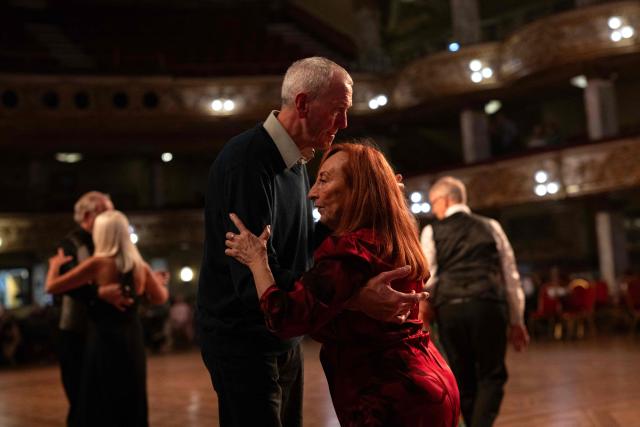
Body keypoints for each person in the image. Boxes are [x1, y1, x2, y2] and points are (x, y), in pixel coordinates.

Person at [197, 57, 425, 427]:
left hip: (285, 333)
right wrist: (353, 298)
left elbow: (305, 247)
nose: (345, 124)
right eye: (338, 110)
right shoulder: (247, 161)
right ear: (303, 104)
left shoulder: (299, 162)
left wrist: (373, 202)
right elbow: (248, 281)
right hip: (244, 339)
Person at [225, 141, 460, 427]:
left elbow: (285, 315)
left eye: (323, 180)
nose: (312, 193)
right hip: (430, 379)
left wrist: (257, 260)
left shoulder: (351, 249)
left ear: (359, 189)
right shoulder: (393, 236)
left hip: (388, 395)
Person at [420, 176, 529, 427]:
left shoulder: (431, 231)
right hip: (488, 305)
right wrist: (517, 320)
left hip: (450, 309)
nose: (434, 210)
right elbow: (510, 275)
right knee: (492, 375)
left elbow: (429, 277)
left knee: (461, 376)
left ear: (446, 200)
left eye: (433, 203)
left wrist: (425, 309)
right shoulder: (491, 226)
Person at [46, 210, 169, 427]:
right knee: (132, 394)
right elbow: (160, 298)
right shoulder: (140, 266)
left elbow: (52, 286)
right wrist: (157, 283)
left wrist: (54, 266)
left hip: (103, 340)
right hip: (132, 340)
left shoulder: (97, 264)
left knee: (102, 397)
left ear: (101, 234)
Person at [55, 191, 134, 427]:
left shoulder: (107, 239)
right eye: (106, 211)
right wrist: (97, 293)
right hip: (76, 329)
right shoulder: (71, 243)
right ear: (88, 215)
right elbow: (62, 284)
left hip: (104, 330)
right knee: (80, 399)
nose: (112, 216)